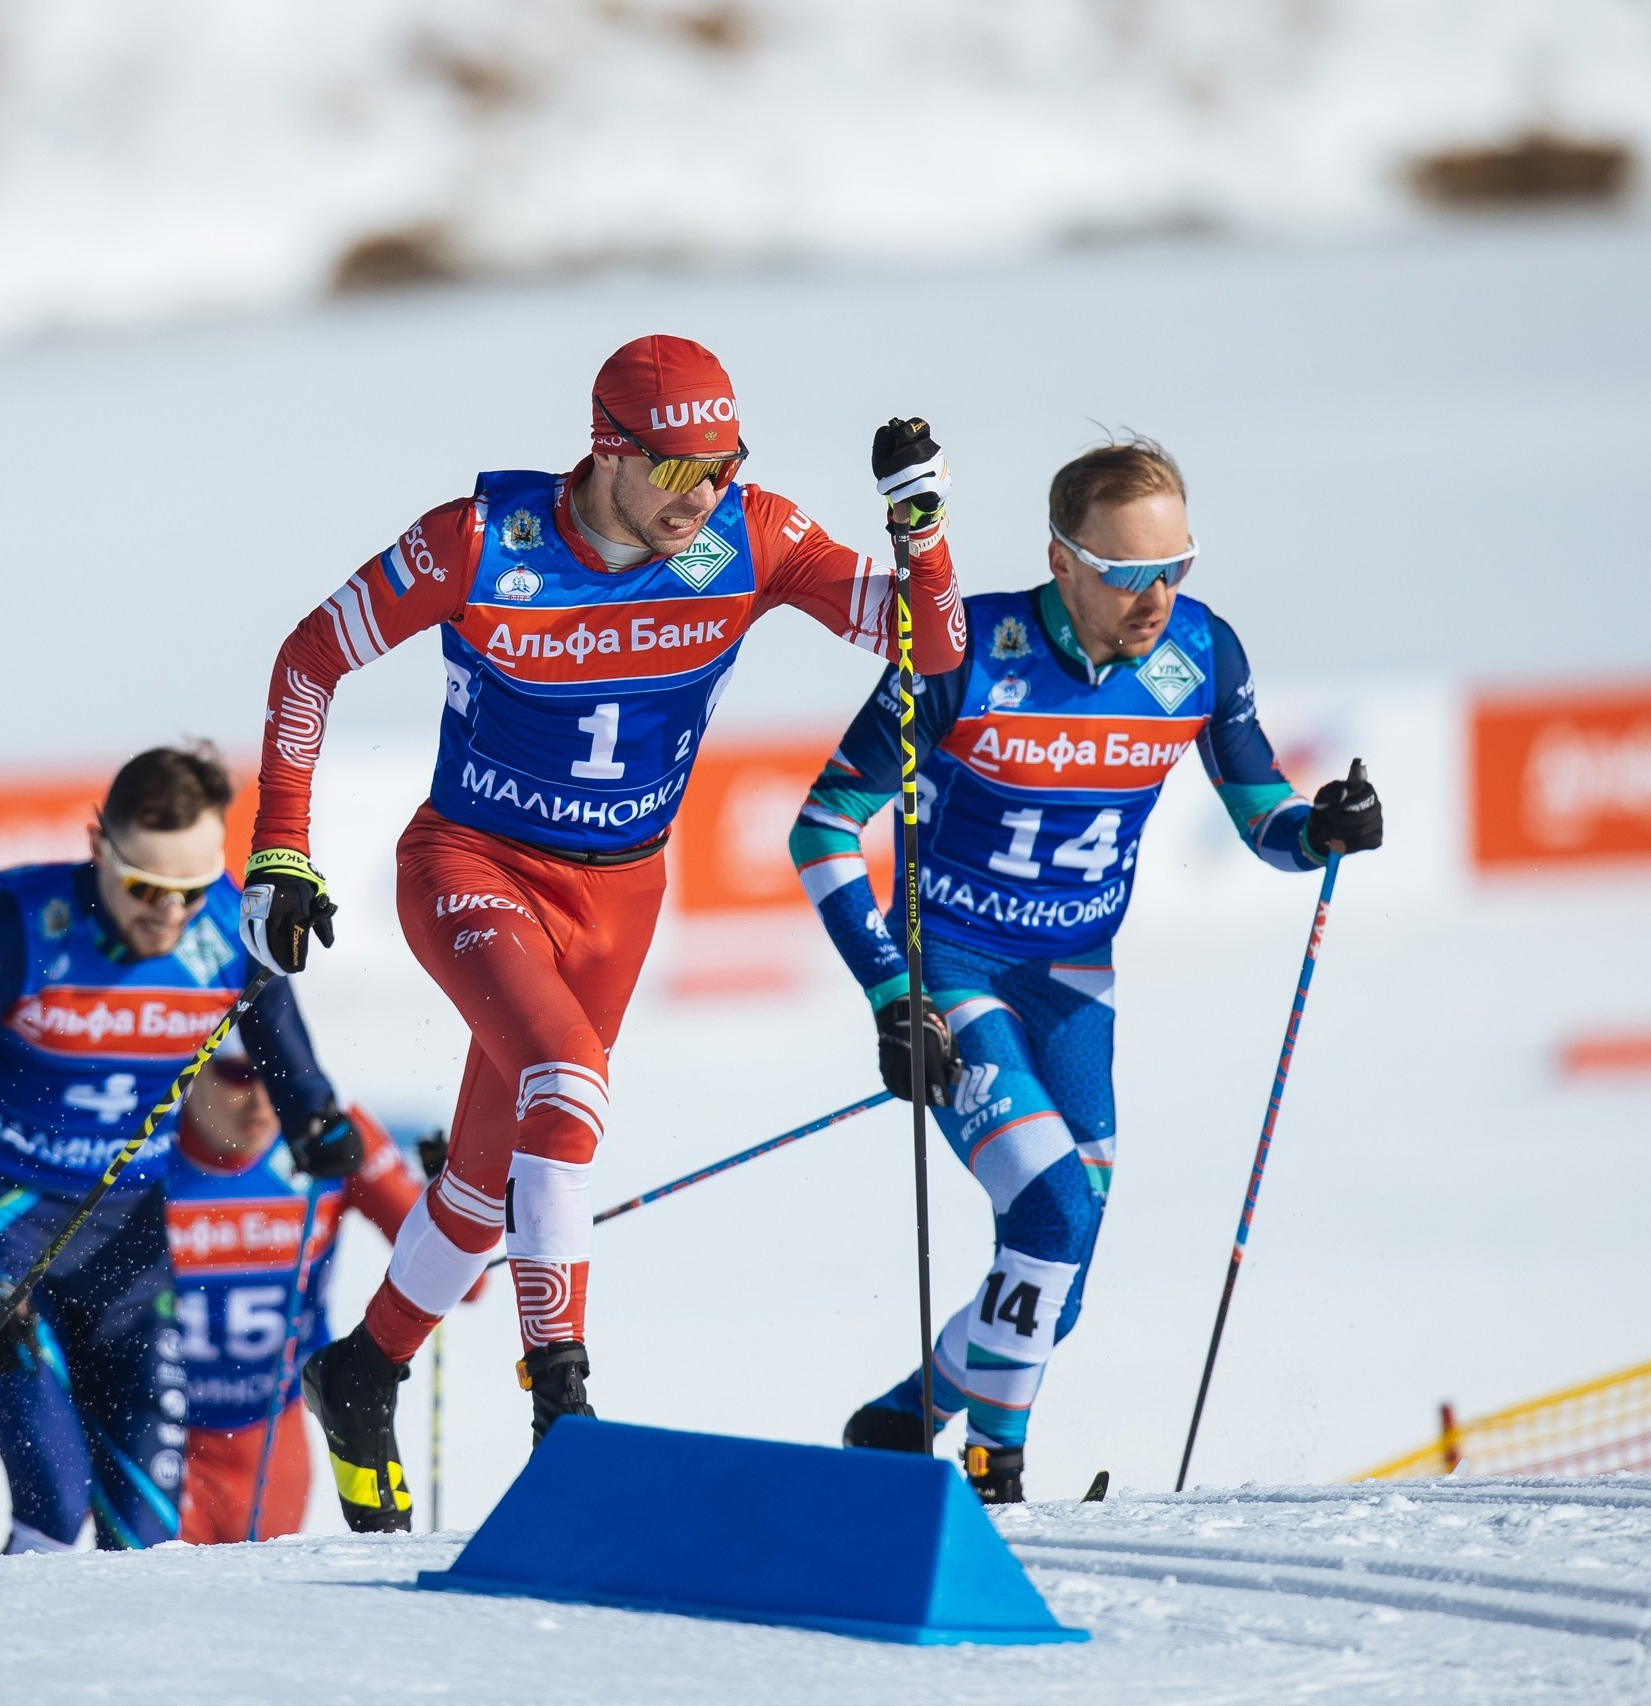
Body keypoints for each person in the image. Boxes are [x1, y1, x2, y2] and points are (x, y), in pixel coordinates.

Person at [237, 334, 967, 1531]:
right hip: (470, 864)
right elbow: (310, 659)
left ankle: (361, 1370)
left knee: (484, 1186)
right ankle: (562, 1404)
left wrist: (920, 528)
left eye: (724, 468)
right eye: (679, 472)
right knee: (566, 1086)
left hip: (621, 894)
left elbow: (925, 647)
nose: (705, 499)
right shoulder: (480, 542)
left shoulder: (756, 535)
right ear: (607, 452)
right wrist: (281, 845)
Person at [788, 437, 1384, 1503]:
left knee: (1052, 1282)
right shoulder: (963, 652)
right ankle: (992, 1472)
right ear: (1061, 560)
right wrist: (891, 991)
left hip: (1072, 983)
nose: (1153, 597)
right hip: (954, 972)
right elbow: (825, 825)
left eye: (1174, 567)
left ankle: (899, 1420)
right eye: (1124, 574)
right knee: (1054, 1209)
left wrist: (1323, 831)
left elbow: (1264, 819)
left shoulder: (1199, 654)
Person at [0, 744, 360, 1553]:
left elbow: (287, 1057)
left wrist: (320, 1125)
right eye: (143, 888)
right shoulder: (25, 923)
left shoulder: (224, 925)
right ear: (97, 844)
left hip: (132, 1252)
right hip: (10, 1233)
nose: (166, 916)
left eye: (187, 891)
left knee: (144, 1535)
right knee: (56, 1510)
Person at [166, 1050, 453, 1543]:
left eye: (277, 1072)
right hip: (160, 1433)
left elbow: (459, 1277)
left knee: (256, 1613)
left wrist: (453, 1197)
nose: (260, 1100)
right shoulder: (141, 1142)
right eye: (238, 1074)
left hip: (271, 1440)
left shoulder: (330, 1134)